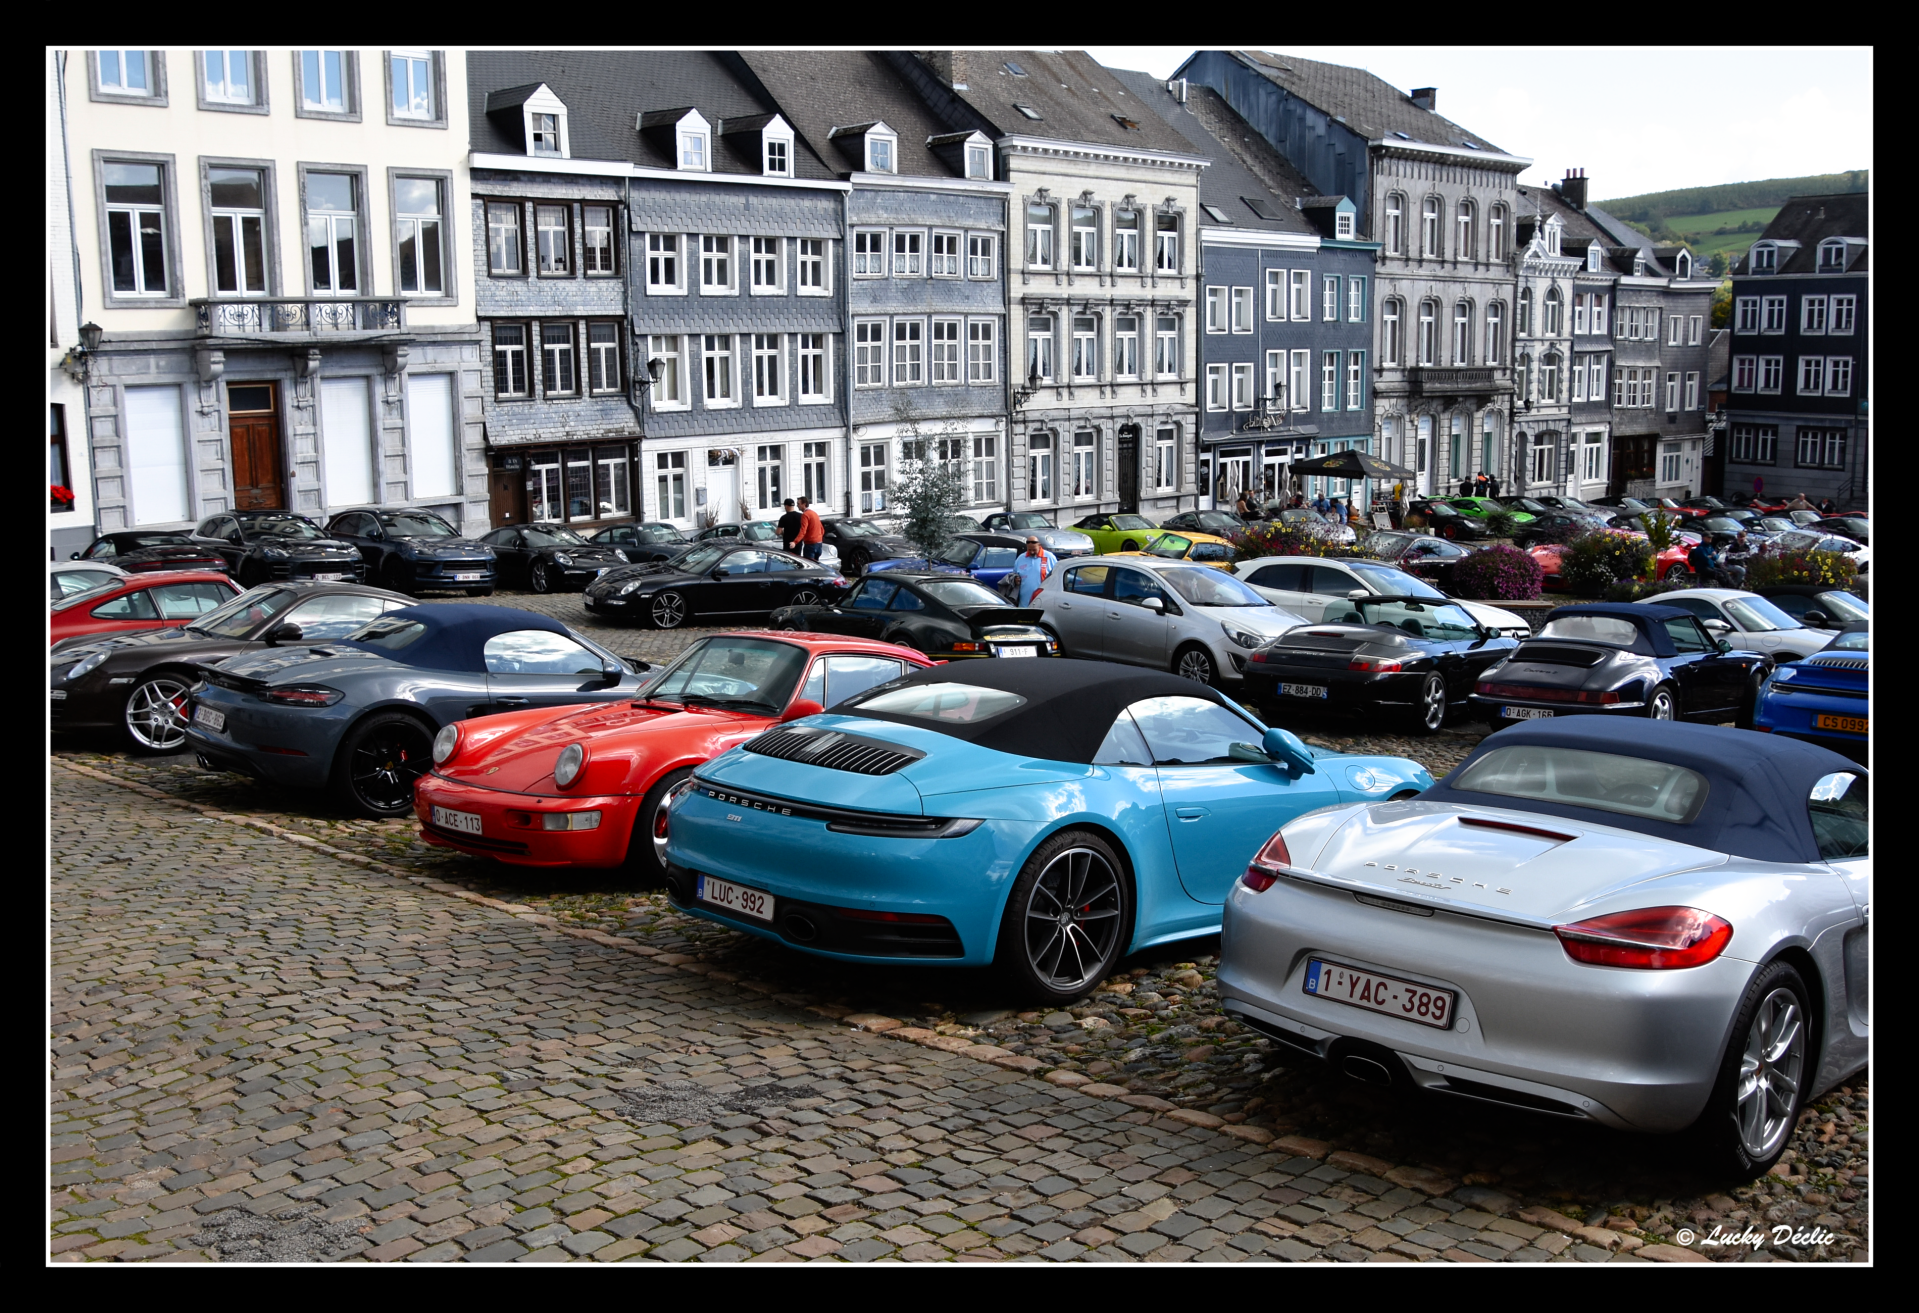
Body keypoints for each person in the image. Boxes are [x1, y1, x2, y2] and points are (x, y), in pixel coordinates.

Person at [1009, 535, 1057, 606]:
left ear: (1039, 545)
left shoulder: (1049, 557)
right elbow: (1014, 575)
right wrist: (1016, 579)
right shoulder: (1020, 558)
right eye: (1029, 550)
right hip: (1024, 603)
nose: (1031, 552)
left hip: (1043, 602)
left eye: (1034, 550)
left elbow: (1056, 576)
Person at [797, 497, 824, 561]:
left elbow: (803, 530)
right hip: (819, 543)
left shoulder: (805, 515)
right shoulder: (814, 513)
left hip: (810, 544)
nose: (797, 505)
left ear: (804, 504)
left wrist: (795, 542)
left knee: (809, 563)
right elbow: (822, 529)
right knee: (816, 564)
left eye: (798, 504)